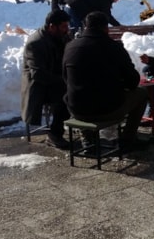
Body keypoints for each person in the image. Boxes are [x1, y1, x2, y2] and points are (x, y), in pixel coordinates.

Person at [63, 11, 149, 151]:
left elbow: (66, 78)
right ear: (106, 28)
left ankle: (87, 138)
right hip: (108, 109)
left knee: (80, 94)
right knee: (142, 94)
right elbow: (132, 81)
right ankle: (128, 139)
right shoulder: (114, 47)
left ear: (85, 26)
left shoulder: (70, 46)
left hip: (76, 108)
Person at [21, 9, 73, 149]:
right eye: (64, 26)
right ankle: (54, 133)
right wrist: (65, 81)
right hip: (39, 86)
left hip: (57, 79)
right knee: (66, 96)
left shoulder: (62, 36)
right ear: (52, 27)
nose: (67, 29)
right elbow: (38, 74)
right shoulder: (35, 43)